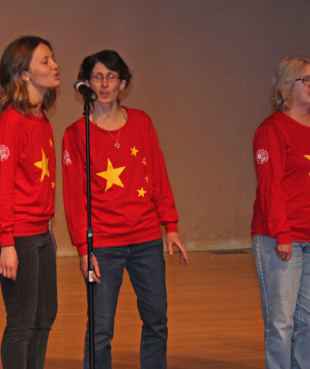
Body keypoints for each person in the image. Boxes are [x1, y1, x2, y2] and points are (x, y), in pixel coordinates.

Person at [62, 50, 189, 369]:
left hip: (145, 241)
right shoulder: (77, 134)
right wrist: (82, 247)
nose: (104, 83)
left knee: (157, 320)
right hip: (103, 245)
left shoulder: (142, 122)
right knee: (101, 330)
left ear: (123, 84)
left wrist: (170, 225)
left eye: (112, 76)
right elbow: (74, 197)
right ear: (86, 83)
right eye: (97, 76)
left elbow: (158, 173)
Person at [251, 56, 310, 369]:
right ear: (287, 86)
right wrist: (281, 233)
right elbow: (270, 187)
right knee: (281, 323)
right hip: (280, 237)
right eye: (306, 79)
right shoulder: (272, 130)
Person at [0, 35, 60, 369]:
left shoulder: (41, 120)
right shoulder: (9, 125)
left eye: (53, 58)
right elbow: (1, 188)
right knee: (22, 321)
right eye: (45, 60)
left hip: (40, 233)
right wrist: (7, 241)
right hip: (16, 235)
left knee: (45, 315)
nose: (54, 65)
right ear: (24, 73)